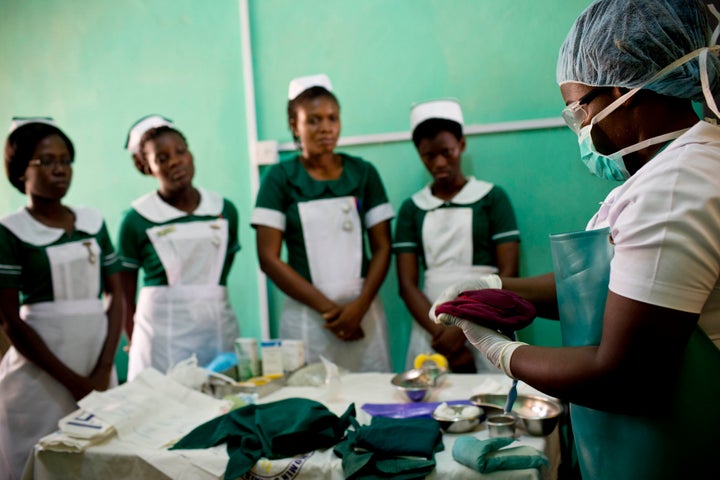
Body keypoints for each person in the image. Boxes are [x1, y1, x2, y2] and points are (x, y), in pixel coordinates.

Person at [432, 1, 720, 479]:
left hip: (676, 447)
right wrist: (495, 285)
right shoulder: (665, 175)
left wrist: (503, 353)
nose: (580, 128)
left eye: (577, 109)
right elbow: (605, 287)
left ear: (618, 90)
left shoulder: (676, 186)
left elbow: (626, 377)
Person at [0, 118, 124, 480]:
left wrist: (102, 369)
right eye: (47, 161)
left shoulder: (92, 221)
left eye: (66, 160)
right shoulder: (10, 230)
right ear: (21, 170)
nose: (60, 169)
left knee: (98, 459)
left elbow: (116, 294)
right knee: (41, 461)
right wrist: (75, 383)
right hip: (40, 374)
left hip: (97, 366)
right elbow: (8, 320)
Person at [251, 74, 394, 372]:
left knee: (374, 400)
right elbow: (268, 257)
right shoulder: (279, 179)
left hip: (363, 310)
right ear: (294, 125)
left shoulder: (364, 173)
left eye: (332, 118)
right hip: (308, 316)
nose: (325, 128)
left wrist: (359, 308)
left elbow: (383, 247)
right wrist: (331, 311)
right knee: (311, 401)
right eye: (313, 120)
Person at [394, 99, 519, 373]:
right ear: (419, 153)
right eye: (429, 156)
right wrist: (442, 334)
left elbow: (509, 273)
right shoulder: (412, 208)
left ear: (461, 145)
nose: (439, 162)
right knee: (431, 400)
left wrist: (461, 332)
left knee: (492, 401)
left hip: (487, 321)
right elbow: (407, 285)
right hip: (432, 330)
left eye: (447, 152)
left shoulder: (491, 198)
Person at [118, 115, 240, 381]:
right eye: (161, 158)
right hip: (160, 339)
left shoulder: (223, 209)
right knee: (162, 410)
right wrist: (133, 338)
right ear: (145, 166)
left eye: (180, 152)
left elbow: (221, 273)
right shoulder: (137, 219)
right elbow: (124, 292)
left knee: (223, 402)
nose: (175, 161)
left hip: (216, 329)